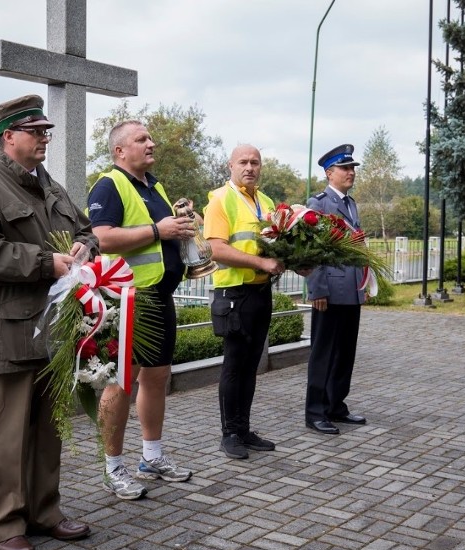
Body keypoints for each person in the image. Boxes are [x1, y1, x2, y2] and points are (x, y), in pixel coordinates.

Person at [0, 94, 94, 550]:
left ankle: (44, 511)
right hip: (7, 328)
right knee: (8, 433)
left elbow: (84, 229)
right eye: (36, 131)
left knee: (49, 428)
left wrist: (85, 249)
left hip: (54, 327)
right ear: (9, 137)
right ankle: (5, 524)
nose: (45, 137)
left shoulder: (50, 185)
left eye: (46, 130)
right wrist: (44, 263)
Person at [86, 120, 194, 500]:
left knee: (157, 377)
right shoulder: (109, 185)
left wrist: (184, 241)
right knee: (121, 383)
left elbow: (165, 231)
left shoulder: (155, 185)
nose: (152, 144)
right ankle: (113, 467)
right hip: (129, 301)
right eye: (142, 139)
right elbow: (100, 237)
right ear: (120, 151)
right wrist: (156, 231)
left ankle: (151, 457)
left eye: (150, 138)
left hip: (159, 297)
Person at [202, 144, 285, 459]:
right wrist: (262, 264)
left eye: (255, 162)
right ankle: (229, 434)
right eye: (243, 162)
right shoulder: (220, 200)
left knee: (251, 367)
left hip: (260, 293)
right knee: (234, 367)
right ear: (230, 166)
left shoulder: (264, 201)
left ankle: (244, 428)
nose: (249, 167)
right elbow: (217, 250)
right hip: (234, 293)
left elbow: (275, 243)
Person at [304, 144, 369, 435]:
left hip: (350, 290)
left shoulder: (351, 203)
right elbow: (312, 250)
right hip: (329, 291)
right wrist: (317, 289)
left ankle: (336, 406)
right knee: (324, 353)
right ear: (330, 173)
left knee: (345, 352)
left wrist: (363, 285)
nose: (351, 173)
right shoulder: (318, 203)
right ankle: (315, 411)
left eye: (353, 168)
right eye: (345, 168)